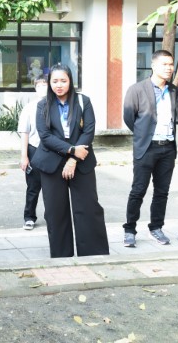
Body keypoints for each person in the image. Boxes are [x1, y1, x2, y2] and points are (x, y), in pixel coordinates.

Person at [30, 64, 109, 257]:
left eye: (63, 81)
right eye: (55, 81)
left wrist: (73, 158)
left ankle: (93, 254)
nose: (59, 85)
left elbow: (88, 131)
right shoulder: (43, 105)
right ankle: (61, 256)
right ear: (49, 83)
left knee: (88, 208)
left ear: (70, 81)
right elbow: (45, 136)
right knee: (55, 211)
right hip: (52, 162)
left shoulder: (83, 101)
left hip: (81, 161)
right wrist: (71, 149)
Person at [122, 49, 178, 248]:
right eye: (164, 64)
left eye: (171, 64)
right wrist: (144, 134)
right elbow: (129, 118)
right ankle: (130, 229)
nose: (169, 68)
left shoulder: (173, 90)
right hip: (146, 148)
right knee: (138, 190)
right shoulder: (137, 89)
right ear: (154, 65)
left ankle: (156, 227)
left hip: (168, 148)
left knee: (162, 192)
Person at [17, 75, 48, 230]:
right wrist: (24, 156)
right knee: (33, 187)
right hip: (34, 149)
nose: (42, 88)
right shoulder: (30, 107)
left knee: (52, 188)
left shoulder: (56, 105)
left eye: (45, 84)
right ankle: (29, 217)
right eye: (39, 85)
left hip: (53, 151)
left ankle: (52, 216)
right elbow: (25, 132)